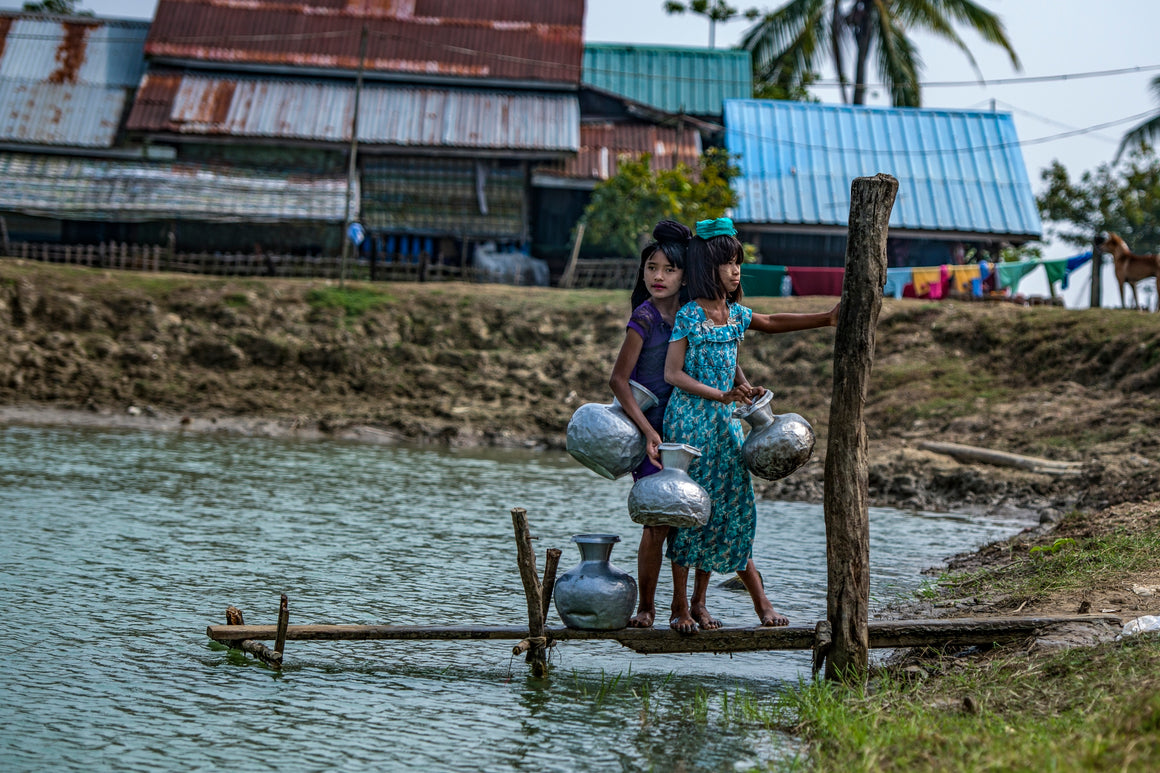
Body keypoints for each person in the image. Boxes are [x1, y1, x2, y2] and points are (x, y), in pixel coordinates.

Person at [662, 217, 839, 633]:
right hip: (690, 424)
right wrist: (721, 393)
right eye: (728, 263)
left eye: (738, 262)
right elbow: (674, 374)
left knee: (727, 508)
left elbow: (773, 323)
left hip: (726, 425)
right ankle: (679, 607)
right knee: (691, 510)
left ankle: (702, 604)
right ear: (708, 266)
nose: (735, 270)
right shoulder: (690, 314)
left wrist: (827, 319)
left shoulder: (733, 314)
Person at [608, 220, 691, 629]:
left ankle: (682, 608)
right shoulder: (643, 317)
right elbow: (618, 380)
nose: (659, 276)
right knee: (657, 519)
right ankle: (647, 608)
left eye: (669, 269)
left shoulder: (693, 315)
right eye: (652, 268)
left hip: (688, 429)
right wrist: (647, 432)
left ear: (685, 275)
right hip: (651, 432)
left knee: (687, 517)